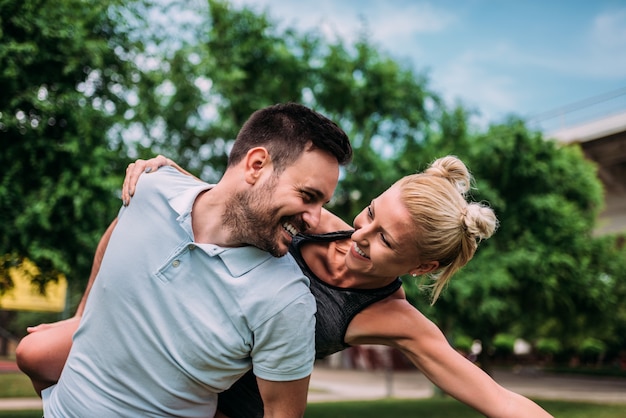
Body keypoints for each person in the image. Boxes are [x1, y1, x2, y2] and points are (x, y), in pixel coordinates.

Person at [18, 155, 553, 418]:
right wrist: (166, 173)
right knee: (37, 352)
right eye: (368, 212)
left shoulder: (394, 319)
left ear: (418, 268)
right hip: (181, 351)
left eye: (384, 240)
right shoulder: (320, 223)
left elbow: (495, 395)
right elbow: (232, 198)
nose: (357, 235)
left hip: (236, 404)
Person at [16, 103, 352, 418]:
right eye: (308, 197)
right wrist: (83, 315)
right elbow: (118, 227)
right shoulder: (148, 188)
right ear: (256, 165)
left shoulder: (286, 300)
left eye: (322, 203)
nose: (315, 219)